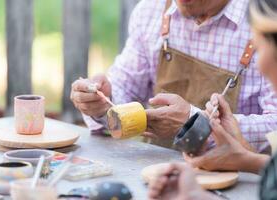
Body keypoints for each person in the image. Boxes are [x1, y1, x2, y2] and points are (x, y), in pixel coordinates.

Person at [70, 0, 277, 152]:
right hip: (160, 171)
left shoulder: (267, 19)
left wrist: (196, 125)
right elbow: (125, 86)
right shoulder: (151, 11)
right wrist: (103, 102)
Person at [148, 0, 277, 199]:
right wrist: (245, 159)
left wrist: (194, 120)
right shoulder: (153, 10)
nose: (259, 65)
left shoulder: (258, 15)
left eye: (261, 48)